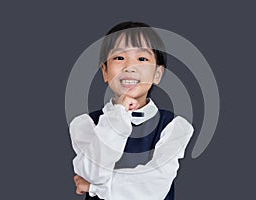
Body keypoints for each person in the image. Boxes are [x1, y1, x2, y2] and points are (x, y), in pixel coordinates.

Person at [69, 21, 194, 200]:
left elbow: (153, 187)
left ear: (157, 74)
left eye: (142, 59)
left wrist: (93, 188)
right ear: (105, 71)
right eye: (119, 58)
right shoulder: (84, 124)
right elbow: (93, 173)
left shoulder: (176, 126)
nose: (130, 66)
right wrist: (117, 115)